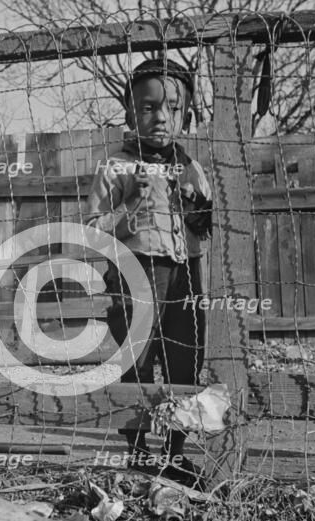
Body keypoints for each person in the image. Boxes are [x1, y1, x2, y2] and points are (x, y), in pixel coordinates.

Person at [84, 57, 212, 488]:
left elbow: (207, 229)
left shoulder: (193, 168)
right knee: (137, 360)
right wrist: (128, 207)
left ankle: (175, 453)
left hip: (186, 272)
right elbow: (91, 233)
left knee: (185, 360)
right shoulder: (116, 166)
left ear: (187, 115)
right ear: (129, 113)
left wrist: (196, 206)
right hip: (135, 272)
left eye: (173, 108)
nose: (161, 118)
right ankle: (137, 453)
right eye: (148, 107)